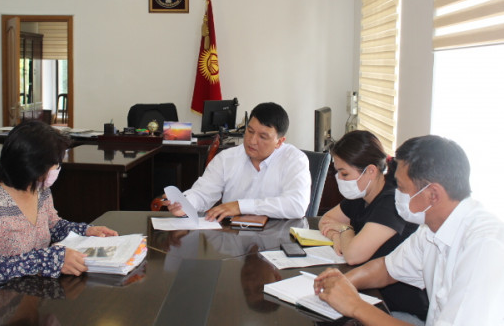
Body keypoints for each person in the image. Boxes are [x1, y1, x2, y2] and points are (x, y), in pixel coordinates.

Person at [314, 135, 504, 326]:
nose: (396, 195)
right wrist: (341, 283)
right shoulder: (429, 229)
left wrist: (355, 305)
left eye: (402, 188)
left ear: (433, 194)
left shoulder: (484, 248)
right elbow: (387, 269)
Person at [0, 121, 118, 325]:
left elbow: (53, 225)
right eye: (54, 163)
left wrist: (86, 230)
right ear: (30, 165)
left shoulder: (40, 190)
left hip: (25, 293)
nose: (57, 168)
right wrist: (45, 260)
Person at [318, 131, 428, 321]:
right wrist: (337, 236)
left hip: (397, 309)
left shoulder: (392, 202)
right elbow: (326, 220)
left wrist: (344, 229)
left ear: (370, 171)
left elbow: (353, 255)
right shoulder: (361, 193)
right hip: (368, 293)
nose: (339, 179)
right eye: (337, 172)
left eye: (344, 173)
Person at [166, 102, 311, 221]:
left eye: (263, 137)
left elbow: (296, 205)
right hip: (233, 236)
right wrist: (185, 204)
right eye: (250, 131)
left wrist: (240, 206)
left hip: (276, 238)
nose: (252, 141)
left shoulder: (294, 160)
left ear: (279, 142)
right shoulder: (226, 158)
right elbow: (203, 193)